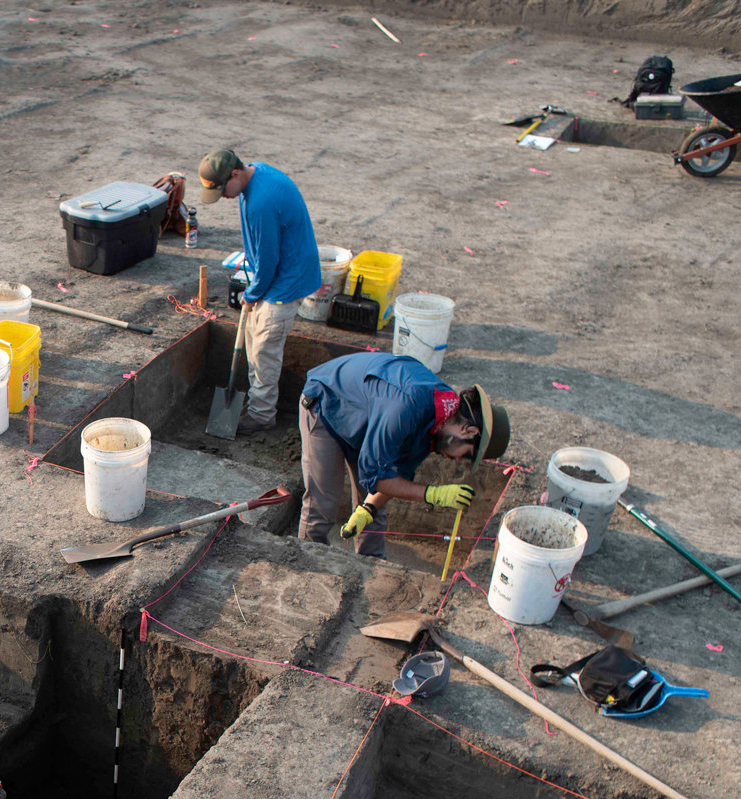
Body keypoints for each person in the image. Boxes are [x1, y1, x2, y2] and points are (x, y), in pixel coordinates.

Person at [296, 352, 511, 558]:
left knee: (374, 513)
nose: (456, 460)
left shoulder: (439, 420)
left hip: (365, 420)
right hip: (327, 403)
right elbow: (378, 477)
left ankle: (372, 566)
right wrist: (433, 494)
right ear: (469, 431)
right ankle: (309, 567)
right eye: (466, 456)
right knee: (323, 502)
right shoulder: (407, 406)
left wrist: (367, 509)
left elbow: (396, 472)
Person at [197, 148, 322, 436]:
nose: (225, 197)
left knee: (264, 351)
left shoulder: (260, 203)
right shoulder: (257, 175)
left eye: (223, 190)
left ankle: (262, 416)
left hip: (284, 281)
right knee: (253, 343)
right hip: (276, 275)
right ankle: (256, 404)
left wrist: (252, 293)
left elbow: (269, 259)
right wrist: (255, 288)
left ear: (236, 173)